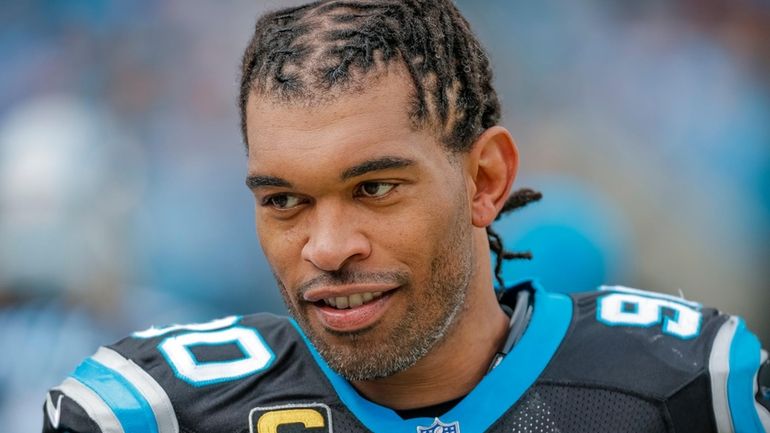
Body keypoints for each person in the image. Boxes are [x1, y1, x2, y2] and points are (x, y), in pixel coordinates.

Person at [42, 1, 770, 432]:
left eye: (376, 188)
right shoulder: (155, 411)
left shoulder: (685, 386)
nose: (326, 248)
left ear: (485, 179)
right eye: (284, 201)